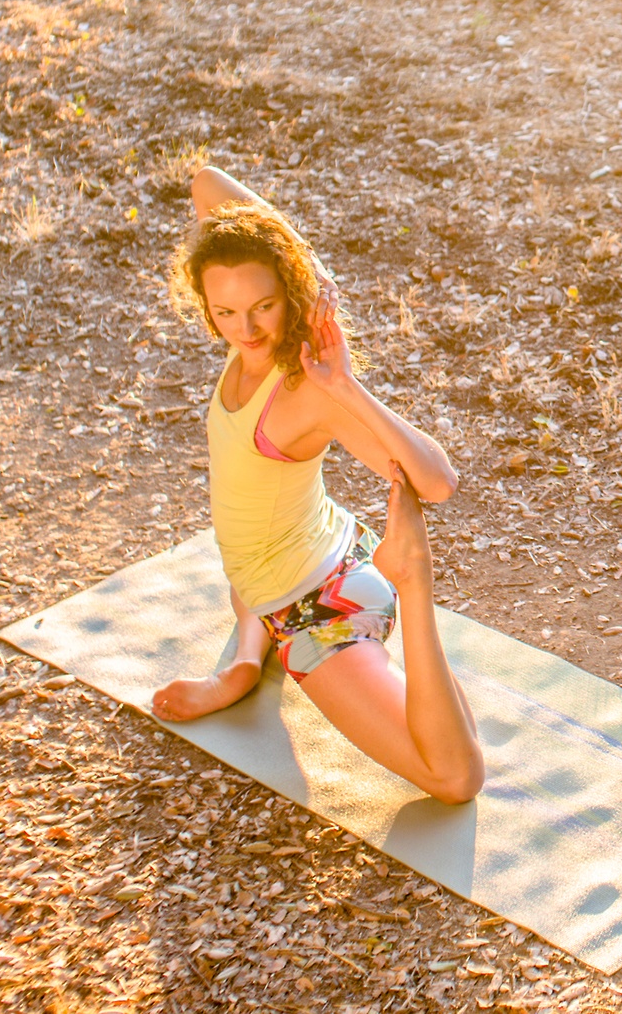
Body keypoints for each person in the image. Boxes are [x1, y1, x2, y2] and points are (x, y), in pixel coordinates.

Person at [148, 165, 485, 805]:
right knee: (246, 576)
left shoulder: (304, 387)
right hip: (289, 564)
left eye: (264, 307)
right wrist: (303, 266)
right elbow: (204, 183)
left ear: (285, 294)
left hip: (319, 607)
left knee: (453, 777)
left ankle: (410, 584)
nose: (246, 329)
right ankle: (246, 666)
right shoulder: (247, 329)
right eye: (225, 312)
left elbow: (437, 484)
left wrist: (345, 386)